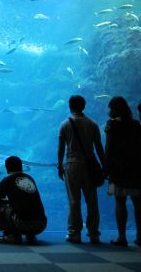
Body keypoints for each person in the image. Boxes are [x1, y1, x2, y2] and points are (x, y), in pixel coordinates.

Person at [57, 95, 105, 244]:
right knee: (92, 200)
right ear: (83, 106)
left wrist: (60, 165)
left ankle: (74, 233)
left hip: (72, 164)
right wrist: (104, 166)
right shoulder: (93, 124)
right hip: (89, 166)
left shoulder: (65, 124)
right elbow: (99, 147)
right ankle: (93, 233)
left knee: (74, 200)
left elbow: (61, 147)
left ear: (70, 106)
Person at [0, 155, 47, 244]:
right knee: (23, 206)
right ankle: (30, 235)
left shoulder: (7, 180)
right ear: (21, 166)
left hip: (22, 224)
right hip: (41, 225)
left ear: (7, 168)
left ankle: (12, 235)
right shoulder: (29, 178)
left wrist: (0, 201)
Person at [105, 96, 141, 246]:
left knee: (120, 202)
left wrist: (105, 166)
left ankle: (122, 236)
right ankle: (140, 236)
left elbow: (108, 147)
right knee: (138, 203)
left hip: (117, 169)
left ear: (113, 109)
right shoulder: (136, 124)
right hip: (135, 168)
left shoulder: (111, 125)